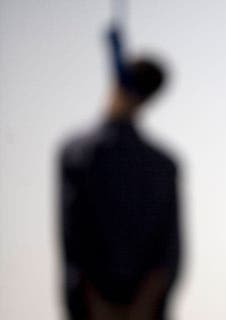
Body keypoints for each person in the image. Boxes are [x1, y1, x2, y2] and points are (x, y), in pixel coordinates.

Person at [58, 57, 181, 319]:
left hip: (92, 308)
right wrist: (143, 306)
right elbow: (169, 252)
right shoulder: (164, 165)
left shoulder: (78, 154)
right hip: (144, 309)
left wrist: (96, 305)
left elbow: (73, 238)